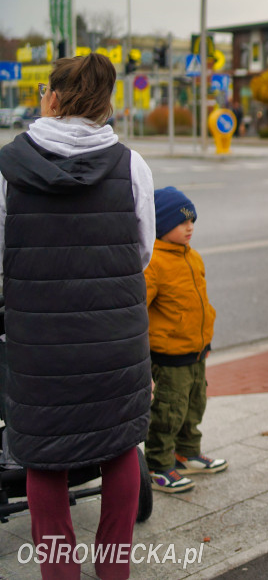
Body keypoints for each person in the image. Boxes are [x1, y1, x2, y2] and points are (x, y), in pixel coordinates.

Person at [0, 53, 155, 579]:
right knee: (118, 448)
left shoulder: (9, 170)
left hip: (38, 341)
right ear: (106, 103)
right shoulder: (131, 166)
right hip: (115, 337)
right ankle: (114, 570)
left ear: (54, 97)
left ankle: (60, 573)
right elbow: (141, 253)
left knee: (44, 459)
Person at [145, 186, 226, 494]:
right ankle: (159, 465)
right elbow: (139, 308)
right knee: (168, 411)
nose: (190, 227)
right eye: (182, 222)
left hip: (196, 350)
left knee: (195, 404)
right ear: (161, 225)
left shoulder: (193, 258)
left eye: (192, 220)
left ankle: (187, 452)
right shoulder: (153, 264)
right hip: (169, 355)